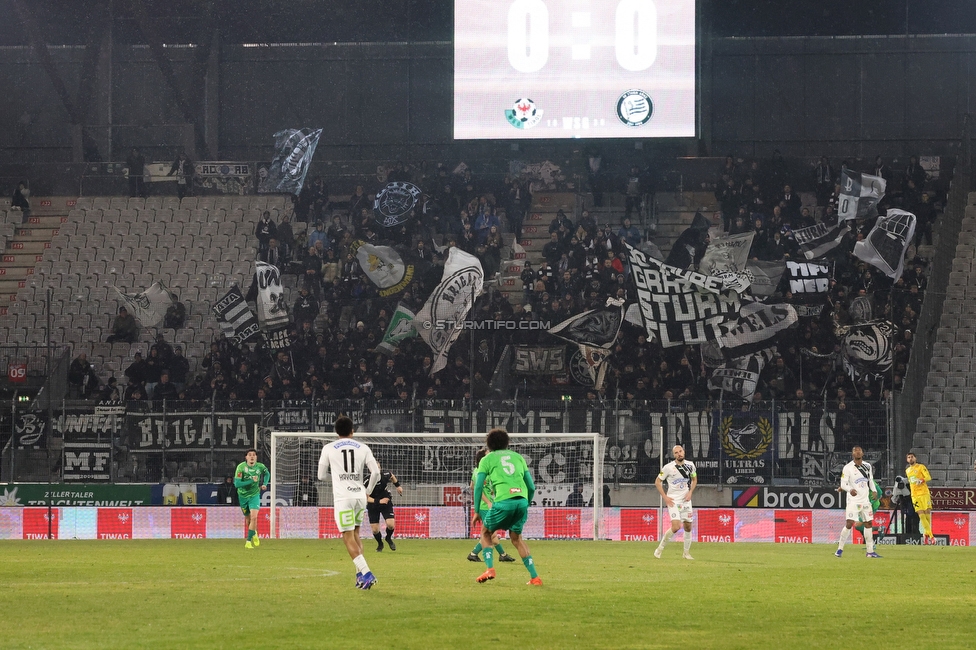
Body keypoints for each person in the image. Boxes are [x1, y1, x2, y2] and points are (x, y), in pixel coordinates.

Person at [471, 427, 542, 586]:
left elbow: (477, 486)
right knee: (516, 539)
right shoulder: (518, 457)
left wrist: (476, 510)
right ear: (507, 443)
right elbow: (531, 487)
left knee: (486, 532)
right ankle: (535, 577)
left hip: (503, 501)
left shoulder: (486, 460)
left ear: (489, 445)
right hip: (522, 501)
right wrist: (526, 504)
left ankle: (490, 569)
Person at [317, 415, 381, 590]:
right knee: (356, 534)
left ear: (336, 432)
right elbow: (375, 473)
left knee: (347, 537)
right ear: (352, 431)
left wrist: (337, 478)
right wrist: (367, 491)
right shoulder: (363, 447)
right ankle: (360, 576)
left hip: (343, 497)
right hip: (360, 496)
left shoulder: (329, 448)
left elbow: (321, 476)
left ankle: (367, 574)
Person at [467, 448, 516, 564]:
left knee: (492, 532)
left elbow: (471, 486)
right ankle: (473, 553)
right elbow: (477, 488)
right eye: (488, 454)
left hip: (487, 505)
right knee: (490, 533)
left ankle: (502, 555)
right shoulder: (480, 472)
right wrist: (488, 501)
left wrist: (490, 492)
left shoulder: (479, 470)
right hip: (485, 507)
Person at [835, 446, 881, 558]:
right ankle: (839, 549)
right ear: (852, 454)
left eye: (859, 450)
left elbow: (870, 480)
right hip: (853, 501)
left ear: (863, 453)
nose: (857, 452)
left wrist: (874, 490)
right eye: (855, 451)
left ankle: (870, 552)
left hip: (865, 500)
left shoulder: (867, 466)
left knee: (868, 523)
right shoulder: (848, 468)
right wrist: (850, 490)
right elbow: (843, 484)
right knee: (849, 523)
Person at [654, 445, 697, 560]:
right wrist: (665, 497)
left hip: (686, 501)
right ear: (674, 455)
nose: (679, 454)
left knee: (688, 526)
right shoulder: (668, 467)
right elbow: (658, 482)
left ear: (684, 452)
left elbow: (694, 479)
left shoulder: (690, 465)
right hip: (673, 501)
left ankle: (686, 553)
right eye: (676, 452)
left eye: (681, 451)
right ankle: (659, 549)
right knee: (676, 526)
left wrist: (690, 492)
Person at [234, 449, 270, 549]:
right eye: (250, 455)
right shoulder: (241, 467)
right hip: (243, 496)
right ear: (246, 457)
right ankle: (254, 533)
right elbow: (237, 484)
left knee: (254, 517)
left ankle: (248, 542)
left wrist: (264, 484)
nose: (252, 457)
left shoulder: (260, 467)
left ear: (256, 457)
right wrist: (250, 480)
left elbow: (267, 474)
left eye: (254, 455)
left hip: (254, 495)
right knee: (248, 518)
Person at [367, 465, 404, 552]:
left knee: (391, 525)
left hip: (386, 503)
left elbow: (391, 475)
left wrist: (398, 486)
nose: (377, 469)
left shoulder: (385, 474)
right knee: (375, 530)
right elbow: (366, 497)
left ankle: (388, 538)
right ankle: (380, 544)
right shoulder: (366, 481)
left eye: (378, 467)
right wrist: (379, 501)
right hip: (373, 505)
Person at [906, 451, 935, 543]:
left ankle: (925, 534)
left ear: (915, 458)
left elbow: (928, 477)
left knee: (927, 514)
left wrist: (921, 480)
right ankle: (931, 536)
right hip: (915, 495)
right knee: (921, 514)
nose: (910, 458)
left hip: (924, 493)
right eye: (909, 457)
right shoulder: (907, 470)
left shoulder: (921, 467)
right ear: (907, 460)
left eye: (912, 457)